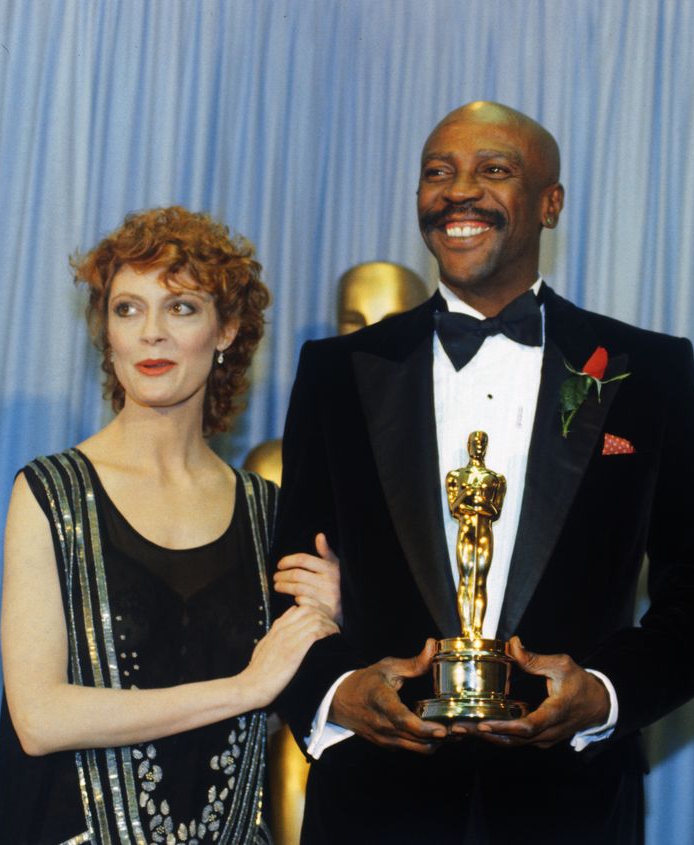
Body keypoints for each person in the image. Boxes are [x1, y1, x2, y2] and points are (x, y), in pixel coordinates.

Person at [271, 101, 694, 843]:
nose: (458, 192)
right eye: (437, 173)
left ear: (550, 202)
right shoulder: (335, 374)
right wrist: (339, 690)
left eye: (494, 170)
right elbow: (289, 579)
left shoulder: (650, 374)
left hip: (572, 812)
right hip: (372, 812)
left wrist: (605, 694)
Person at [0, 206, 339, 844]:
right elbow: (40, 718)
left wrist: (336, 619)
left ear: (227, 329)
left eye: (180, 308)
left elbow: (311, 702)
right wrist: (245, 688)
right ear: (108, 333)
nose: (150, 333)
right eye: (128, 309)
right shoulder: (49, 494)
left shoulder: (269, 511)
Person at [244, 259, 427, 845]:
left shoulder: (458, 459)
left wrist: (356, 594)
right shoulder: (274, 465)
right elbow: (265, 609)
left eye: (391, 320)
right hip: (314, 713)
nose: (370, 336)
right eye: (355, 320)